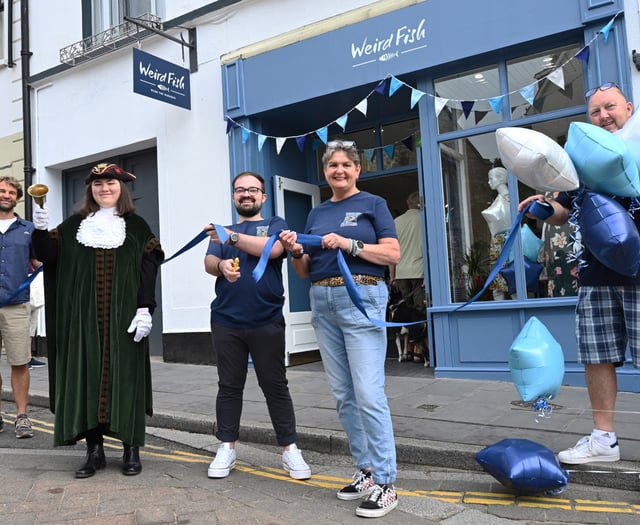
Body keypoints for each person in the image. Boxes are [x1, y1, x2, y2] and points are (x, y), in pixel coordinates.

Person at [280, 140, 401, 518]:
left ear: (357, 169)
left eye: (346, 164)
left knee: (368, 392)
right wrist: (296, 251)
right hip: (322, 300)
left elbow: (392, 254)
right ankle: (365, 471)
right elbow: (304, 271)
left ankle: (386, 482)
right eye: (333, 165)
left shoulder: (373, 204)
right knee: (344, 395)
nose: (339, 171)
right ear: (325, 171)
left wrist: (349, 243)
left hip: (362, 296)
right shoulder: (316, 213)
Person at [518, 82, 634, 464]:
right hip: (596, 274)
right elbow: (564, 209)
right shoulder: (582, 163)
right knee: (597, 356)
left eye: (610, 107)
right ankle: (604, 440)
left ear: (629, 109)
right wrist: (541, 207)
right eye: (595, 111)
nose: (604, 116)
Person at [31, 163, 164, 478]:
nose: (105, 189)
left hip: (125, 319)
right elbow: (48, 257)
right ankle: (95, 451)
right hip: (84, 321)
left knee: (127, 380)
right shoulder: (74, 225)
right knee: (89, 379)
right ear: (90, 190)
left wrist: (145, 309)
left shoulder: (137, 226)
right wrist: (39, 230)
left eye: (111, 184)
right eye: (98, 184)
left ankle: (131, 449)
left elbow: (149, 266)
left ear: (122, 188)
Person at [203, 171, 311, 481]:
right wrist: (222, 266)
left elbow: (274, 250)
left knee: (275, 386)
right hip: (226, 321)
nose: (246, 194)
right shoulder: (223, 232)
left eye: (253, 190)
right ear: (234, 196)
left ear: (263, 196)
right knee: (229, 386)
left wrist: (231, 237)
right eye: (240, 190)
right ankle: (227, 447)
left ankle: (290, 450)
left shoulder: (276, 224)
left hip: (266, 320)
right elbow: (209, 262)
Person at [0, 176, 37, 438]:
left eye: (11, 192)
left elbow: (38, 262)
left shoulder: (29, 229)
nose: (6, 195)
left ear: (18, 198)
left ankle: (22, 416)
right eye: (2, 191)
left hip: (16, 305)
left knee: (20, 362)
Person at [389, 191, 427, 363]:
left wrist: (392, 276)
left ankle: (409, 350)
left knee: (406, 313)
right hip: (419, 272)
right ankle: (419, 351)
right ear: (420, 204)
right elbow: (430, 248)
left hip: (401, 272)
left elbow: (391, 253)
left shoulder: (396, 222)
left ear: (407, 204)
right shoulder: (425, 220)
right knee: (419, 314)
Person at [481, 167, 511, 300]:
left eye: (491, 178)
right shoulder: (501, 198)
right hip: (498, 243)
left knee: (512, 281)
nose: (488, 182)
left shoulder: (509, 199)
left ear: (500, 179)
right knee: (498, 286)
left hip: (506, 242)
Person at [28, 261, 47, 369]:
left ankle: (28, 356)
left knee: (31, 324)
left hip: (32, 279)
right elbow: (36, 262)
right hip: (29, 280)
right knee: (29, 325)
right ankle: (26, 357)